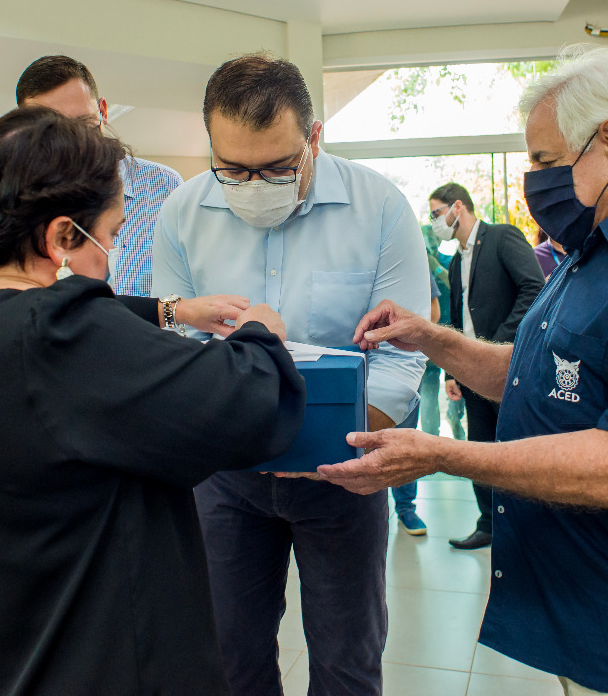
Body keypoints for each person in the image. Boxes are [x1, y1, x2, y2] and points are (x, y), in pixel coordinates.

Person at [319, 46, 608, 695]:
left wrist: (445, 454)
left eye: (543, 160)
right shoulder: (592, 253)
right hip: (588, 621)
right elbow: (530, 376)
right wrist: (428, 339)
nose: (535, 180)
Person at [0, 107, 306, 695]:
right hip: (94, 653)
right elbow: (245, 406)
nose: (108, 257)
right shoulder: (52, 337)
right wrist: (262, 335)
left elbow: (77, 333)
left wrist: (172, 310)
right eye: (107, 236)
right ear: (62, 236)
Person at [152, 54, 428, 695]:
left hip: (345, 477)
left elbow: (402, 352)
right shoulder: (183, 213)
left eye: (277, 167)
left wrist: (345, 447)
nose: (253, 183)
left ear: (315, 138)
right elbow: (176, 346)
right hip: (225, 479)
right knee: (228, 654)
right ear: (211, 148)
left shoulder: (380, 208)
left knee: (348, 655)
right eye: (234, 169)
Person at [429, 182, 545, 551]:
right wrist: (453, 368)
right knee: (479, 447)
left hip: (509, 367)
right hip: (472, 372)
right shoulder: (459, 259)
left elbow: (534, 288)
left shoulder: (501, 237)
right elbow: (458, 317)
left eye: (436, 213)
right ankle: (490, 524)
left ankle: (527, 527)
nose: (435, 222)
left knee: (516, 449)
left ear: (457, 207)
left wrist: (495, 344)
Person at [15, 55, 182, 296]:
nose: (75, 145)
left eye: (84, 126)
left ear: (102, 111)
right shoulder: (18, 200)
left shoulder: (164, 185)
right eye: (54, 134)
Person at [391, 265, 442, 536]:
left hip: (402, 364)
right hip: (357, 357)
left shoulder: (413, 261)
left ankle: (406, 508)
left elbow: (434, 312)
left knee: (404, 435)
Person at [418, 224, 464, 440]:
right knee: (428, 393)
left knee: (458, 390)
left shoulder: (448, 260)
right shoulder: (416, 264)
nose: (430, 244)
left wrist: (433, 264)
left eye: (432, 239)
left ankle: (456, 424)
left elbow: (453, 284)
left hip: (452, 337)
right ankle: (430, 437)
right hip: (426, 342)